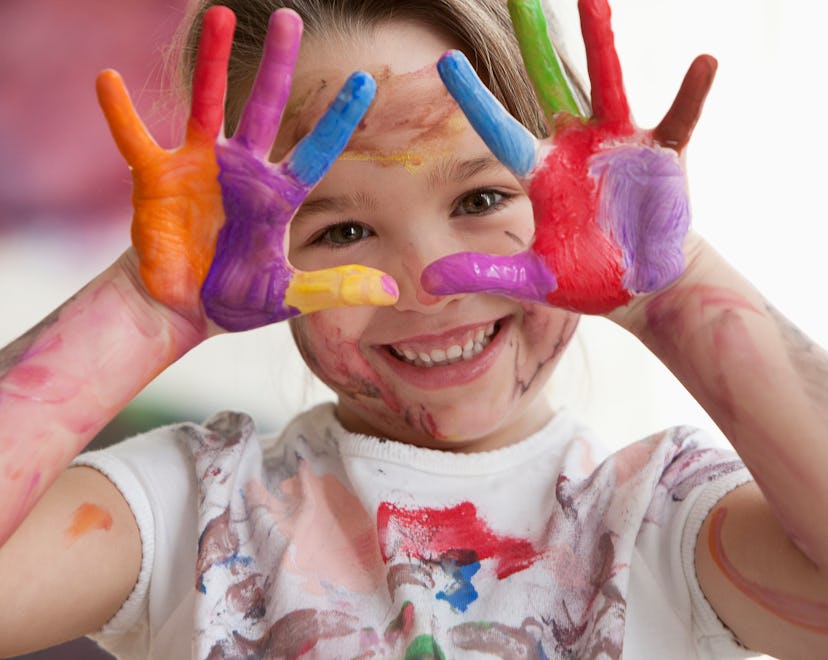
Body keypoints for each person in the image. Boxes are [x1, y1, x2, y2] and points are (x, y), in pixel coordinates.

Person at [0, 0, 826, 657]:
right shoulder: (197, 512)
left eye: (480, 199)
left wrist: (676, 288)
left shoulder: (657, 519)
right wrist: (146, 310)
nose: (428, 288)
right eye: (342, 231)